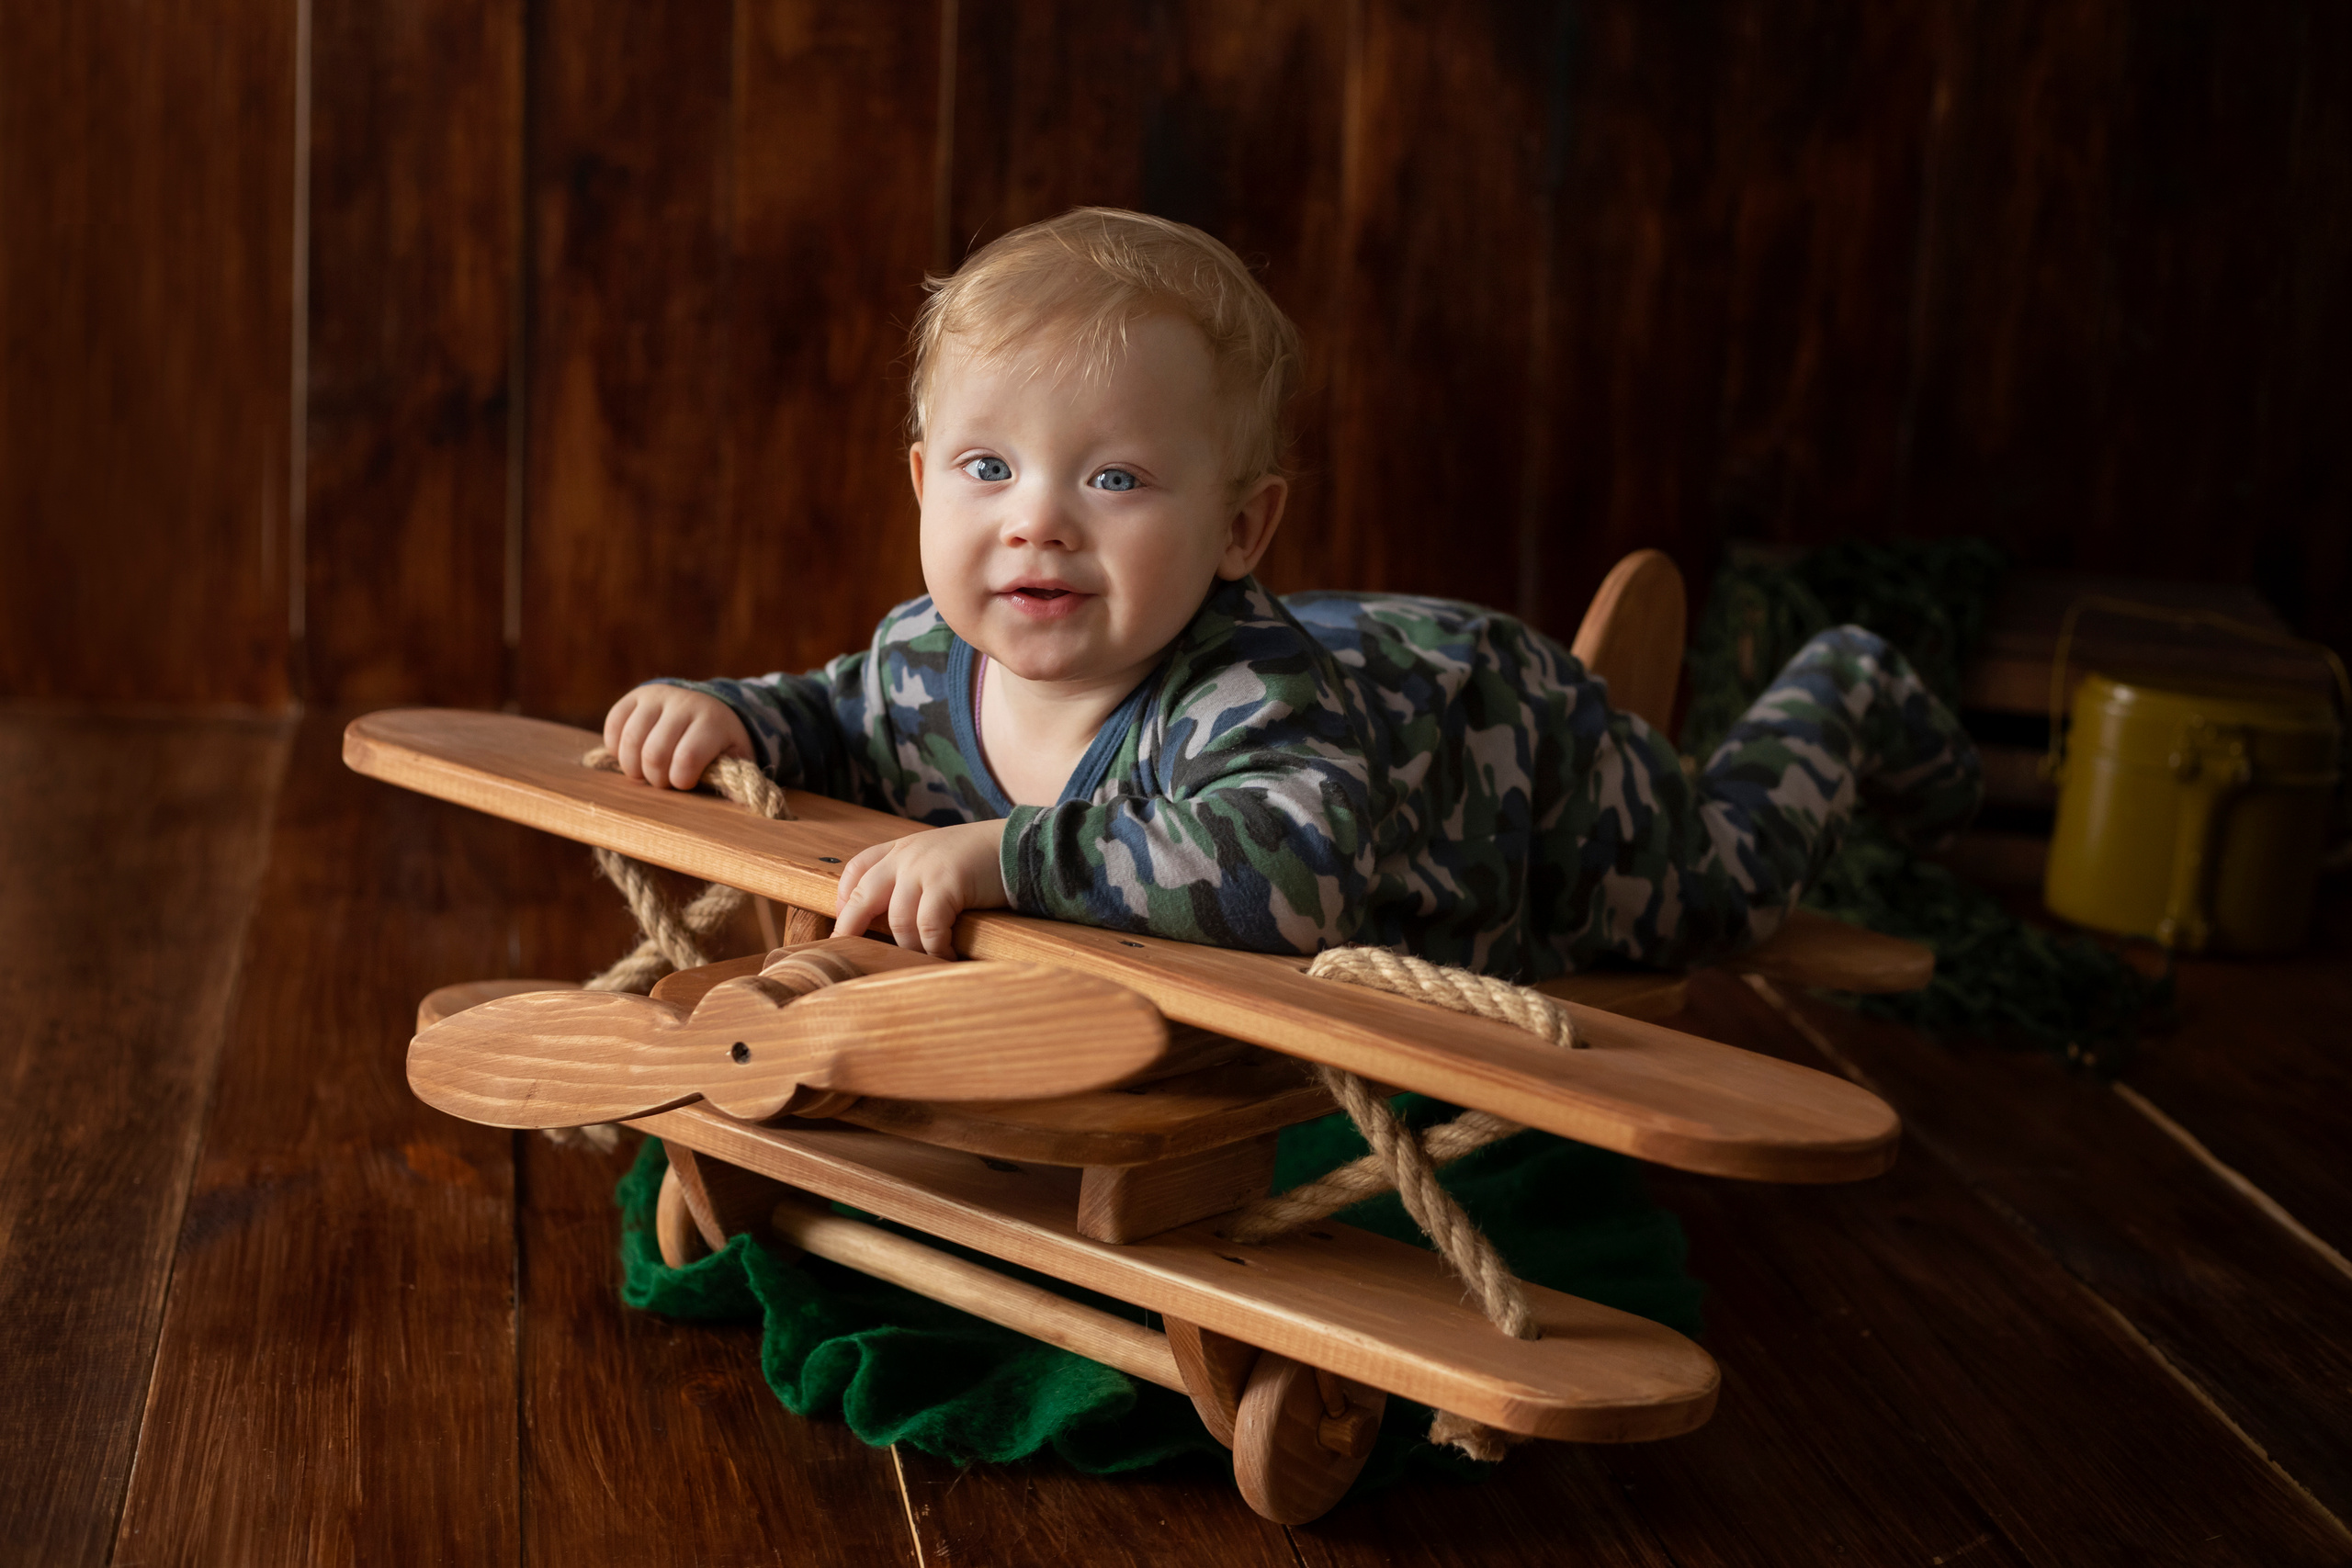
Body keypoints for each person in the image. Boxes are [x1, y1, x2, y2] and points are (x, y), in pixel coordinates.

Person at [601, 208, 1980, 972]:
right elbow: (835, 720)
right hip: (1376, 670)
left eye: (1117, 481)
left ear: (1242, 526)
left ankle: (1844, 692)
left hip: (1512, 762)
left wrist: (1004, 855)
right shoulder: (918, 659)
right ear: (920, 488)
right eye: (987, 466)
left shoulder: (1256, 706)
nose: (1038, 523)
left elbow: (1290, 881)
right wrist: (728, 717)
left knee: (1721, 905)